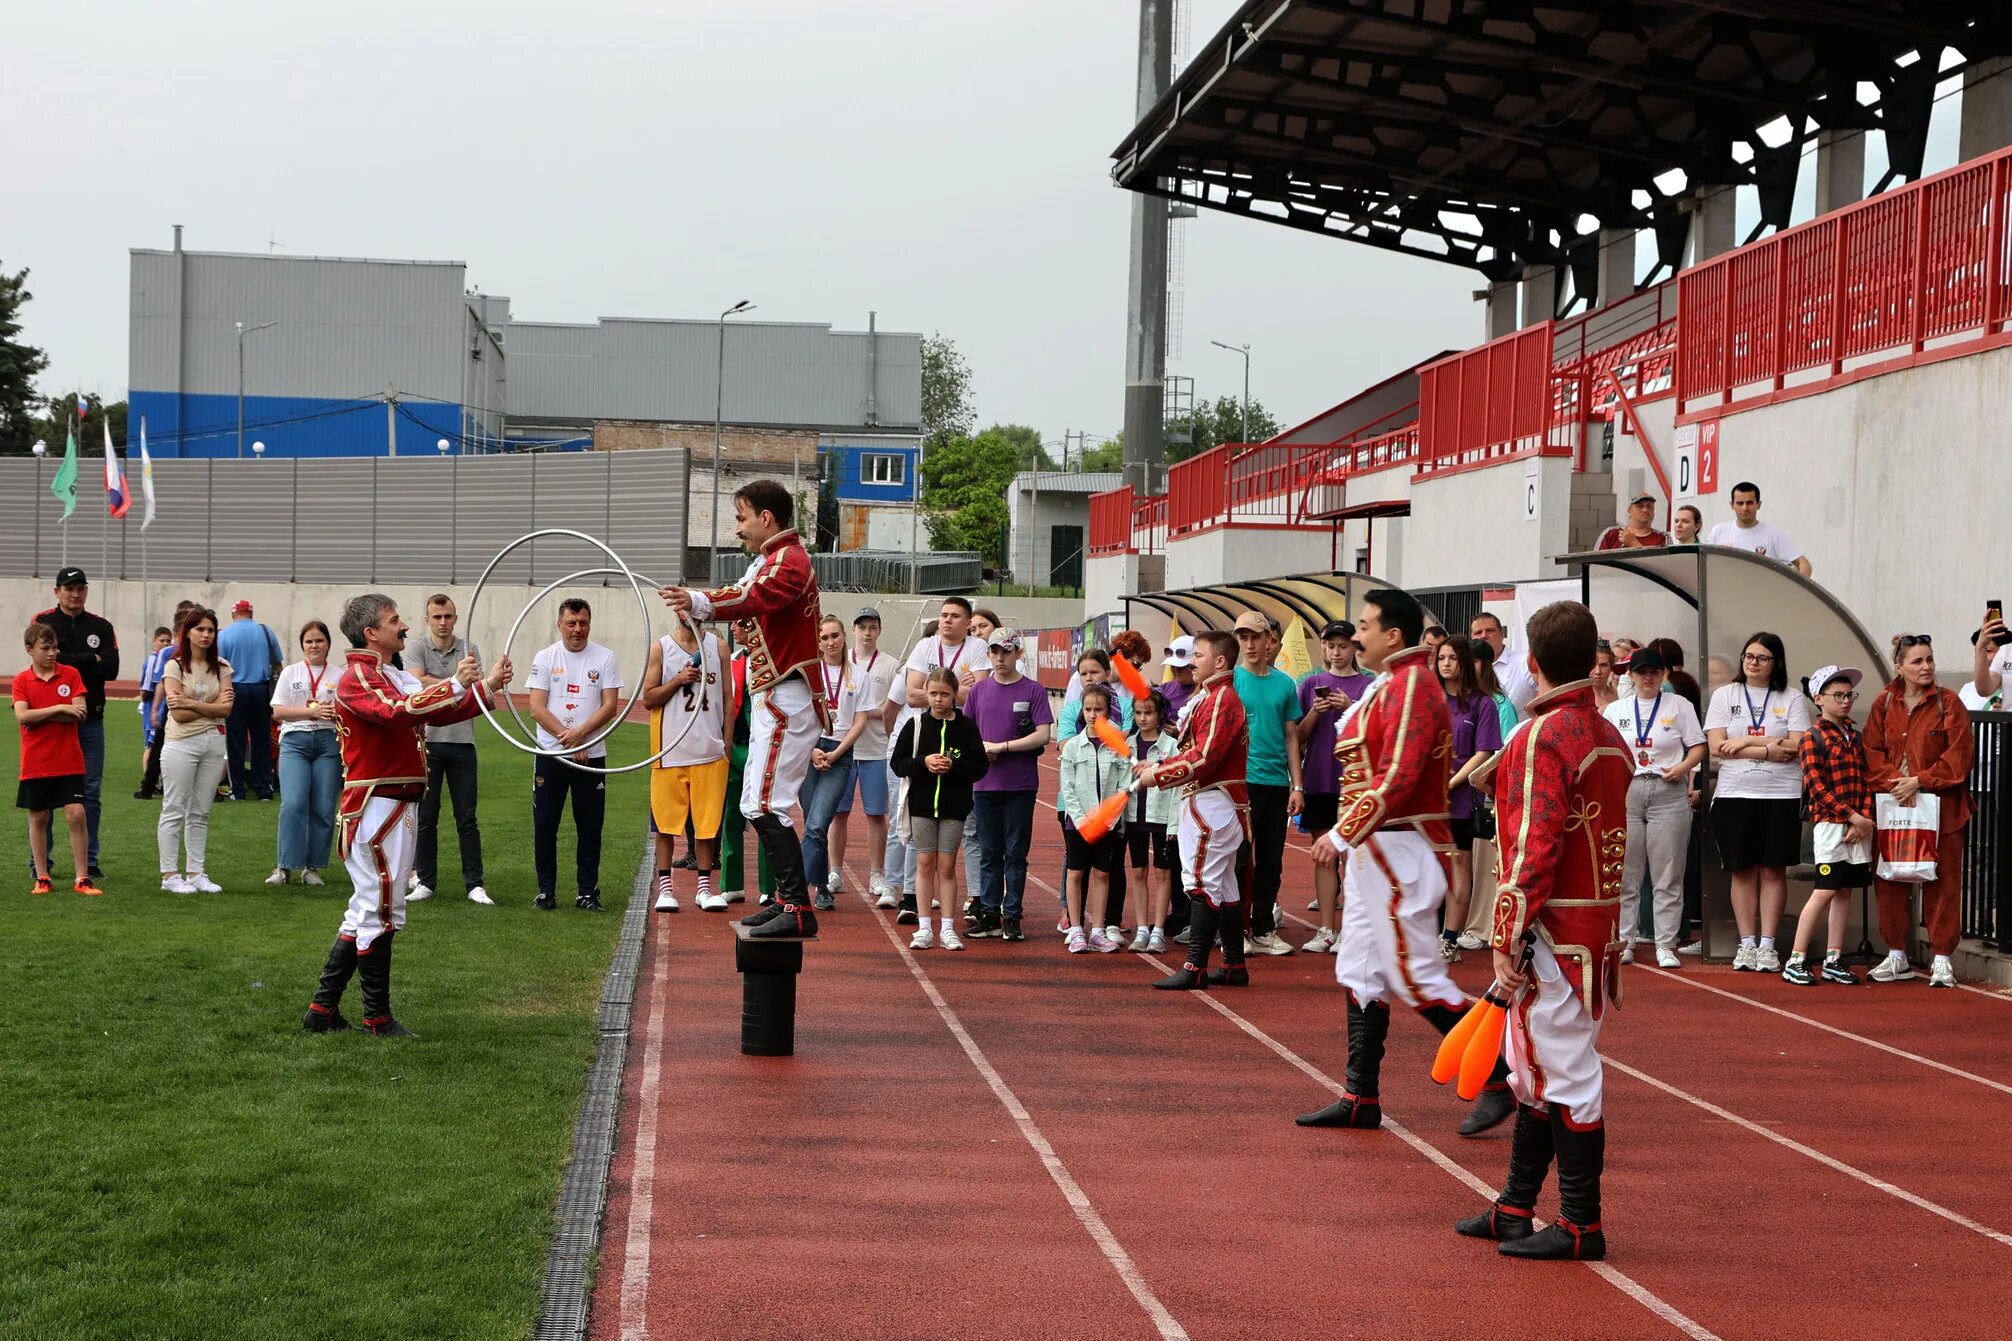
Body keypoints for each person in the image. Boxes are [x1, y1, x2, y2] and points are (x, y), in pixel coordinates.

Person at [1296, 585, 1513, 1137]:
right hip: (1379, 845)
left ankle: (1499, 1077)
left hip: (1399, 845)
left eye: (1364, 626)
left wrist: (1343, 833)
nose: (1356, 634)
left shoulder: (1412, 685)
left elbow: (1402, 772)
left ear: (1393, 634)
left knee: (1413, 975)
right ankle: (1359, 1094)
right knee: (1363, 970)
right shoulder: (1391, 684)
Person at [1455, 599, 1629, 1262]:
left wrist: (1505, 935)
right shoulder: (1608, 735)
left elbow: (1532, 849)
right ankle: (1515, 1207)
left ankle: (1582, 1222)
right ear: (1591, 659)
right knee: (1537, 1073)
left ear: (1530, 663)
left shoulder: (1541, 737)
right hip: (1594, 927)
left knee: (1562, 1072)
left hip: (1552, 931)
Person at [304, 593, 509, 1036]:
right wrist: (457, 683)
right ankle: (375, 1017)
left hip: (392, 804)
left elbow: (439, 709)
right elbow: (397, 713)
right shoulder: (356, 678)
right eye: (394, 620)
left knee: (368, 910)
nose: (404, 626)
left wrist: (485, 686)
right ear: (371, 633)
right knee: (378, 910)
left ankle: (322, 1012)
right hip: (376, 806)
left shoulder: (389, 673)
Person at [661, 479, 827, 938]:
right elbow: (742, 591)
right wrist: (697, 601)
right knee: (756, 802)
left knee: (766, 802)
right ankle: (783, 901)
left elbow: (752, 598)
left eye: (741, 517)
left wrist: (697, 600)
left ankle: (796, 908)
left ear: (766, 518)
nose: (739, 527)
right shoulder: (770, 560)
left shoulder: (789, 562)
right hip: (774, 697)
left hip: (787, 697)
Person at [1137, 629, 1251, 990]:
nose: (1191, 662)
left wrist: (1157, 775)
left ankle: (1195, 966)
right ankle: (1233, 965)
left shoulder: (1220, 698)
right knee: (1225, 886)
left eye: (1197, 655)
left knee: (1200, 883)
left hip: (1212, 801)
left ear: (1219, 661)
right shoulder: (1213, 696)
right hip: (1215, 801)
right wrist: (1156, 768)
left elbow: (1205, 757)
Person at [1863, 634, 1972, 989]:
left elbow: (1958, 757)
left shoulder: (1949, 702)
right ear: (1900, 667)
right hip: (1895, 805)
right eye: (1917, 661)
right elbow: (1872, 752)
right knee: (1890, 878)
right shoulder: (1883, 703)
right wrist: (1900, 783)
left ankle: (1942, 958)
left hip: (1944, 809)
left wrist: (1920, 781)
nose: (1926, 667)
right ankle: (1897, 955)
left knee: (1943, 881)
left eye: (1929, 659)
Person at [1703, 631, 1809, 971]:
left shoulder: (1790, 698)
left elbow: (1796, 746)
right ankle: (1746, 943)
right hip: (1735, 793)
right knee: (1742, 870)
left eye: (1762, 658)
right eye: (1749, 656)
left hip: (1781, 793)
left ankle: (1768, 945)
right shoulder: (1725, 694)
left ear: (1775, 662)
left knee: (1773, 870)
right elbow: (1717, 746)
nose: (1753, 663)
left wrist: (1746, 741)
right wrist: (1767, 748)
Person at [1603, 645, 1705, 967]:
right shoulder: (1616, 710)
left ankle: (1664, 944)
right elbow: (1606, 752)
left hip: (1668, 788)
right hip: (1628, 791)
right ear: (1630, 676)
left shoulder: (1679, 705)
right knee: (1626, 874)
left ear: (1663, 674)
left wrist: (1682, 768)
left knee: (1668, 873)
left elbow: (1699, 746)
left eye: (1653, 672)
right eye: (1641, 672)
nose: (1647, 677)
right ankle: (1626, 941)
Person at [526, 599, 624, 912]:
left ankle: (587, 892)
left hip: (591, 756)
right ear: (560, 625)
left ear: (589, 624)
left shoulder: (605, 657)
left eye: (582, 623)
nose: (577, 629)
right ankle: (546, 892)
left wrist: (581, 737)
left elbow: (610, 706)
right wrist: (568, 741)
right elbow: (536, 708)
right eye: (571, 623)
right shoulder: (545, 657)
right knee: (545, 824)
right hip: (552, 755)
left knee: (590, 825)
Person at [963, 626, 1053, 943]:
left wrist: (1002, 748)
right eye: (995, 651)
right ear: (988, 654)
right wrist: (979, 751)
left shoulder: (1033, 690)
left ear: (1018, 653)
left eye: (1006, 651)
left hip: (1020, 785)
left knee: (1015, 853)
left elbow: (1043, 734)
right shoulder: (978, 691)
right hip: (985, 785)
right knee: (989, 852)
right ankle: (989, 912)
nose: (1000, 657)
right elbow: (967, 732)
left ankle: (1012, 914)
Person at [889, 667, 989, 950]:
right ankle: (923, 928)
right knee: (924, 863)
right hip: (921, 806)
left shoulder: (967, 727)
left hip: (954, 808)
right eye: (933, 693)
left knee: (946, 866)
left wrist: (954, 766)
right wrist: (923, 763)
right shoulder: (916, 725)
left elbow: (979, 766)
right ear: (926, 693)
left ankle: (947, 927)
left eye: (944, 694)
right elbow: (898, 763)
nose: (938, 699)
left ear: (954, 695)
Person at [1786, 665, 1873, 986]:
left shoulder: (1855, 735)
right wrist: (1853, 817)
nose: (1846, 701)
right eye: (1839, 695)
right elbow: (1816, 786)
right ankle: (1796, 959)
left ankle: (1833, 959)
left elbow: (1865, 780)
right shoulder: (1813, 736)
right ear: (1818, 698)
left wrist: (1862, 820)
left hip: (1856, 825)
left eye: (1850, 695)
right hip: (1830, 825)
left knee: (1844, 890)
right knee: (1824, 890)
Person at [1295, 620, 1374, 953]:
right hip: (1319, 778)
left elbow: (1375, 734)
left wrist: (1351, 708)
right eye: (1331, 646)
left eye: (1343, 646)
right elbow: (1297, 737)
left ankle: (1351, 930)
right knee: (1324, 856)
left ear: (1354, 648)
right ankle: (1326, 929)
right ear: (1323, 648)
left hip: (1357, 782)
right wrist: (1315, 711)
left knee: (1357, 857)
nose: (1337, 652)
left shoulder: (1369, 685)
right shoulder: (1311, 683)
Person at [34, 567, 118, 876]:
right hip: (52, 722)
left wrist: (71, 657)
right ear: (57, 591)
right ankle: (41, 863)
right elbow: (43, 661)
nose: (75, 593)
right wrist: (90, 658)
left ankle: (90, 862)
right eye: (69, 588)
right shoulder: (44, 622)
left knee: (91, 792)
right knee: (46, 792)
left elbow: (111, 669)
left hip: (91, 721)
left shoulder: (101, 625)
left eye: (80, 587)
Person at [641, 612, 728, 912]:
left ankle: (704, 888)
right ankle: (666, 888)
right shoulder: (662, 648)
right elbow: (648, 698)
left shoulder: (718, 648)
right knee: (665, 824)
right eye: (684, 608)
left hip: (708, 750)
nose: (690, 615)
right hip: (670, 751)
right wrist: (678, 679)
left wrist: (725, 743)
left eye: (695, 608)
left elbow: (727, 698)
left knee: (707, 825)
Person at [408, 595, 488, 906]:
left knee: (467, 816)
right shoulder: (416, 647)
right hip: (427, 741)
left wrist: (438, 683)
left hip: (462, 742)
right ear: (427, 619)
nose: (443, 622)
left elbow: (474, 688)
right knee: (426, 816)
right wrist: (456, 681)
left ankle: (475, 884)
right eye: (437, 617)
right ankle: (426, 881)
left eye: (448, 616)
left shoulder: (469, 648)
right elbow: (416, 685)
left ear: (456, 618)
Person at [1232, 611, 1303, 955]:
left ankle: (1262, 928)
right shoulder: (1230, 681)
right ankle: (1237, 930)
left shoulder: (1285, 684)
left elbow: (1292, 736)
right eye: (1242, 638)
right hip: (1240, 783)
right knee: (1241, 859)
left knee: (1271, 861)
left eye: (1254, 637)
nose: (1248, 644)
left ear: (1268, 641)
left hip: (1275, 782)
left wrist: (1297, 785)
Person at [14, 621, 101, 896]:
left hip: (69, 759)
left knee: (76, 815)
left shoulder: (71, 674)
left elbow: (80, 713)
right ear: (29, 649)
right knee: (39, 817)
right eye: (45, 648)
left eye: (54, 647)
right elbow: (22, 716)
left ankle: (82, 878)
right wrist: (61, 708)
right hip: (36, 760)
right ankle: (42, 877)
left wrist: (43, 714)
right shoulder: (21, 680)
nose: (52, 653)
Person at [157, 607, 232, 894]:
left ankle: (196, 872)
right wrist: (211, 703)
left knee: (200, 811)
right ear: (187, 632)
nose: (206, 635)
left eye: (211, 630)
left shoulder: (223, 667)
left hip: (213, 742)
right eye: (200, 629)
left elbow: (227, 709)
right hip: (181, 742)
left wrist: (193, 702)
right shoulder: (174, 666)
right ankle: (169, 875)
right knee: (174, 808)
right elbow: (178, 715)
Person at [1437, 635, 1503, 963]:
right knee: (1426, 864)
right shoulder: (1429, 701)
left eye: (1452, 658)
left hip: (1461, 797)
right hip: (1427, 799)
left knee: (1458, 862)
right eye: (1441, 658)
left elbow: (1484, 752)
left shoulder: (1482, 704)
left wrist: (1450, 783)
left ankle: (1449, 938)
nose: (1446, 664)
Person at [1056, 686, 1132, 953]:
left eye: (1098, 709)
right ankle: (1076, 929)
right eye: (1088, 709)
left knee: (1102, 873)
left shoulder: (1116, 747)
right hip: (1078, 823)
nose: (1092, 714)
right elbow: (1068, 787)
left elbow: (1124, 785)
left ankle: (1098, 930)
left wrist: (1108, 819)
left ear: (1108, 712)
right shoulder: (1073, 747)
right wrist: (1081, 819)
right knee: (1076, 873)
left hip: (1107, 824)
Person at [268, 620, 342, 887]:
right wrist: (311, 712)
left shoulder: (338, 675)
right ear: (302, 645)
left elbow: (347, 712)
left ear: (328, 644)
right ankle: (284, 866)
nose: (314, 645)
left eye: (319, 640)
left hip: (327, 743)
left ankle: (312, 867)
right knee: (294, 804)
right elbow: (278, 712)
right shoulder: (291, 672)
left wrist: (333, 712)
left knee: (323, 808)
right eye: (309, 641)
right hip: (295, 742)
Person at [802, 616, 868, 911]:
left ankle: (795, 892)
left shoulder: (858, 675)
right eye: (824, 637)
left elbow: (861, 720)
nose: (830, 642)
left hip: (839, 754)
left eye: (834, 636)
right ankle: (821, 887)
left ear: (844, 637)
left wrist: (837, 751)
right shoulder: (807, 674)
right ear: (817, 641)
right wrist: (813, 749)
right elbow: (800, 718)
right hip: (808, 751)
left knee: (818, 823)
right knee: (810, 824)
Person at [840, 609, 899, 908]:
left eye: (872, 627)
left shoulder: (890, 665)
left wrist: (866, 712)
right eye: (861, 627)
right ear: (853, 630)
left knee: (876, 814)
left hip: (876, 749)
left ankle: (877, 873)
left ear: (879, 630)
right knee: (837, 813)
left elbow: (892, 710)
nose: (866, 633)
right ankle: (835, 871)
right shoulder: (840, 662)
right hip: (842, 749)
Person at [882, 618, 937, 920]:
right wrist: (897, 739)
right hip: (905, 752)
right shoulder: (907, 674)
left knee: (925, 825)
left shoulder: (945, 676)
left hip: (932, 754)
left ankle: (916, 887)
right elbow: (889, 711)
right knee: (899, 820)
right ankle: (892, 883)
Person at [1125, 690, 1181, 952]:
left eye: (1148, 713)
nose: (1143, 718)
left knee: (1163, 871)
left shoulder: (1171, 746)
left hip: (1161, 817)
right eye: (1138, 713)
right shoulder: (1128, 744)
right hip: (1134, 816)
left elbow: (1177, 787)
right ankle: (1141, 928)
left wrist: (1174, 824)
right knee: (1138, 871)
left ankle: (1158, 929)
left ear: (1160, 715)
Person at [216, 598, 283, 801]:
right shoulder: (265, 631)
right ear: (251, 614)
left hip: (235, 689)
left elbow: (219, 666)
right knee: (261, 741)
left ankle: (238, 789)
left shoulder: (224, 634)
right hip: (261, 690)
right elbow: (278, 664)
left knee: (235, 742)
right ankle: (264, 788)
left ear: (234, 614)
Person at [1706, 482, 1812, 577]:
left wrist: (1795, 589)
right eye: (1740, 503)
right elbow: (1703, 564)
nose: (1745, 508)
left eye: (1749, 503)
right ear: (1732, 505)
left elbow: (1804, 564)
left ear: (1759, 504)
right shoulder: (1718, 531)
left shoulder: (1773, 535)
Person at [134, 624, 175, 800]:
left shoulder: (168, 654)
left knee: (160, 747)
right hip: (159, 710)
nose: (165, 643)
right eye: (162, 640)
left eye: (168, 640)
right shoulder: (155, 659)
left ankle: (155, 784)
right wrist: (152, 708)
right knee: (152, 746)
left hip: (166, 708)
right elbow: (149, 687)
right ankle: (151, 783)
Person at [1470, 612, 1534, 713]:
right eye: (1478, 632)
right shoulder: (1466, 670)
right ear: (1472, 638)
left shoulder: (1524, 663)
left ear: (1502, 634)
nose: (1483, 636)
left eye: (1490, 630)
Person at [1595, 492, 1669, 549]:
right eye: (1640, 506)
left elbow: (1664, 566)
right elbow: (1595, 563)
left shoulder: (1663, 538)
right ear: (1629, 511)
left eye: (1649, 506)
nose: (1645, 510)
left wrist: (1634, 543)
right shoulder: (1610, 534)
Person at [1160, 636, 1199, 721]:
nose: (1176, 670)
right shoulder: (1163, 689)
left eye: (1182, 666)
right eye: (1173, 666)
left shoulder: (1204, 692)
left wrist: (1182, 731)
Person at [1589, 639, 1619, 712]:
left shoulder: (1620, 695)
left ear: (1611, 667)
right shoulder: (1579, 697)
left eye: (1603, 665)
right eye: (1593, 665)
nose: (1598, 671)